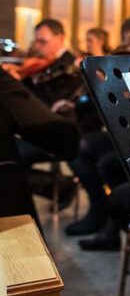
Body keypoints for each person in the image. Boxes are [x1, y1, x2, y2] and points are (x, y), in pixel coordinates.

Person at [0, 68, 79, 223]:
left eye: (43, 42)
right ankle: (58, 183)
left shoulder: (66, 67)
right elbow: (64, 140)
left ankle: (59, 184)